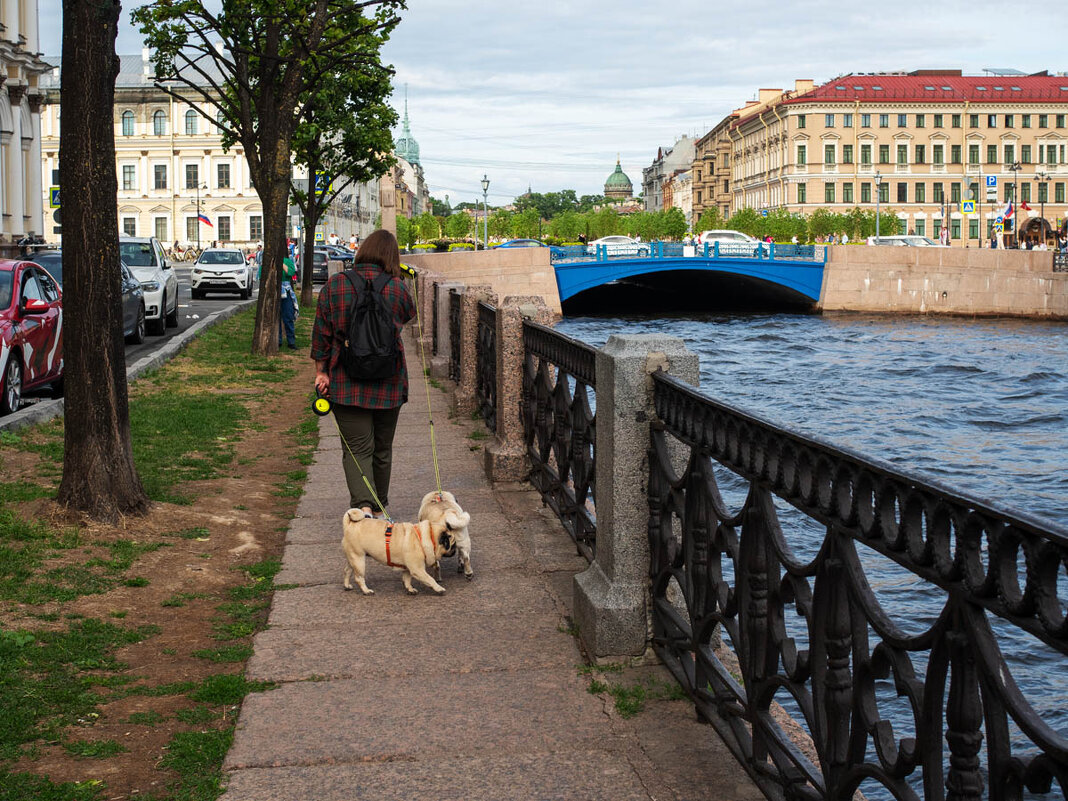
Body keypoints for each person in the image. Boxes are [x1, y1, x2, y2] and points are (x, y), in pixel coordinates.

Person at [311, 229, 415, 519]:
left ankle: (363, 508)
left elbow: (321, 334)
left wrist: (321, 373)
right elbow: (409, 314)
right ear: (391, 256)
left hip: (345, 379)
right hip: (389, 380)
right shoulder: (396, 287)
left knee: (357, 449)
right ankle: (379, 509)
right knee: (382, 449)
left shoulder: (335, 285)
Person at [279, 251, 298, 349]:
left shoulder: (287, 261)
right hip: (273, 291)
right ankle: (278, 341)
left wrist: (281, 263)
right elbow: (261, 275)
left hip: (286, 292)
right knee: (276, 318)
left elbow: (291, 272)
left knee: (288, 316)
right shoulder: (268, 261)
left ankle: (291, 342)